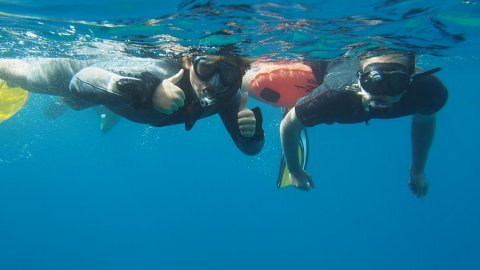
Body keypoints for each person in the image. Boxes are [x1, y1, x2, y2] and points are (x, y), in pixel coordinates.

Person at [0, 54, 264, 155]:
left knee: (100, 103)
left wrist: (252, 134)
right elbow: (82, 78)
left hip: (120, 104)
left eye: (228, 75)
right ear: (188, 62)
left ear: (239, 76)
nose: (215, 83)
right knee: (23, 76)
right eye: (206, 68)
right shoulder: (157, 72)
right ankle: (72, 102)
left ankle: (73, 104)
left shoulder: (229, 97)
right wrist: (147, 91)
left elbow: (249, 149)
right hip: (89, 73)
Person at [279, 49, 448, 197]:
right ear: (359, 80)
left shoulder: (428, 92)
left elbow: (425, 120)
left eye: (395, 83)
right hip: (323, 63)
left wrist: (417, 170)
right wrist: (294, 170)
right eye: (374, 81)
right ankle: (294, 99)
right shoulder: (334, 94)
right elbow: (288, 126)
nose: (383, 94)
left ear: (410, 81)